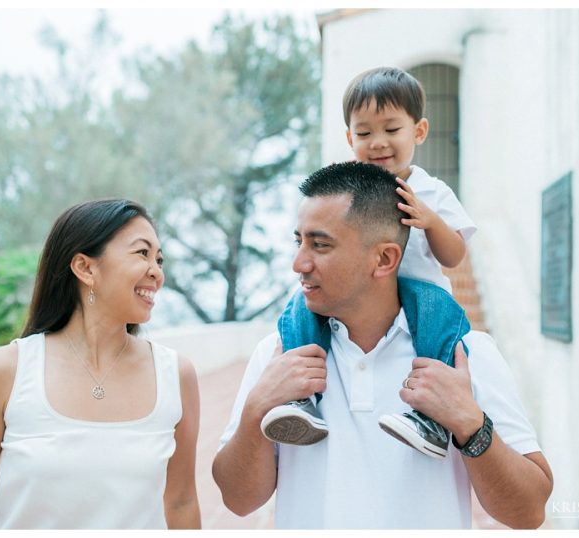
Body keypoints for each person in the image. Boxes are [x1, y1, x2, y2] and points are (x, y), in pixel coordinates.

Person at [212, 162, 552, 529]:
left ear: (385, 258)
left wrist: (471, 425)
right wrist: (255, 410)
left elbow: (528, 512)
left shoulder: (464, 353)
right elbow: (238, 500)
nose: (299, 263)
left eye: (320, 244)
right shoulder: (279, 354)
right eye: (299, 241)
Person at [0, 199, 201, 529]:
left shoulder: (176, 375)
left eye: (159, 259)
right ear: (85, 268)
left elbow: (181, 502)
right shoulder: (5, 372)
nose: (157, 272)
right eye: (142, 253)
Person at [262, 66, 476, 458]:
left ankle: (426, 418)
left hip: (419, 293)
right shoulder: (350, 191)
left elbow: (455, 255)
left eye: (391, 130)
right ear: (349, 138)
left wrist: (430, 221)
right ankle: (300, 400)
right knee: (298, 310)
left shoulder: (432, 190)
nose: (378, 143)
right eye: (364, 133)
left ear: (419, 131)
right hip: (357, 296)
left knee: (439, 322)